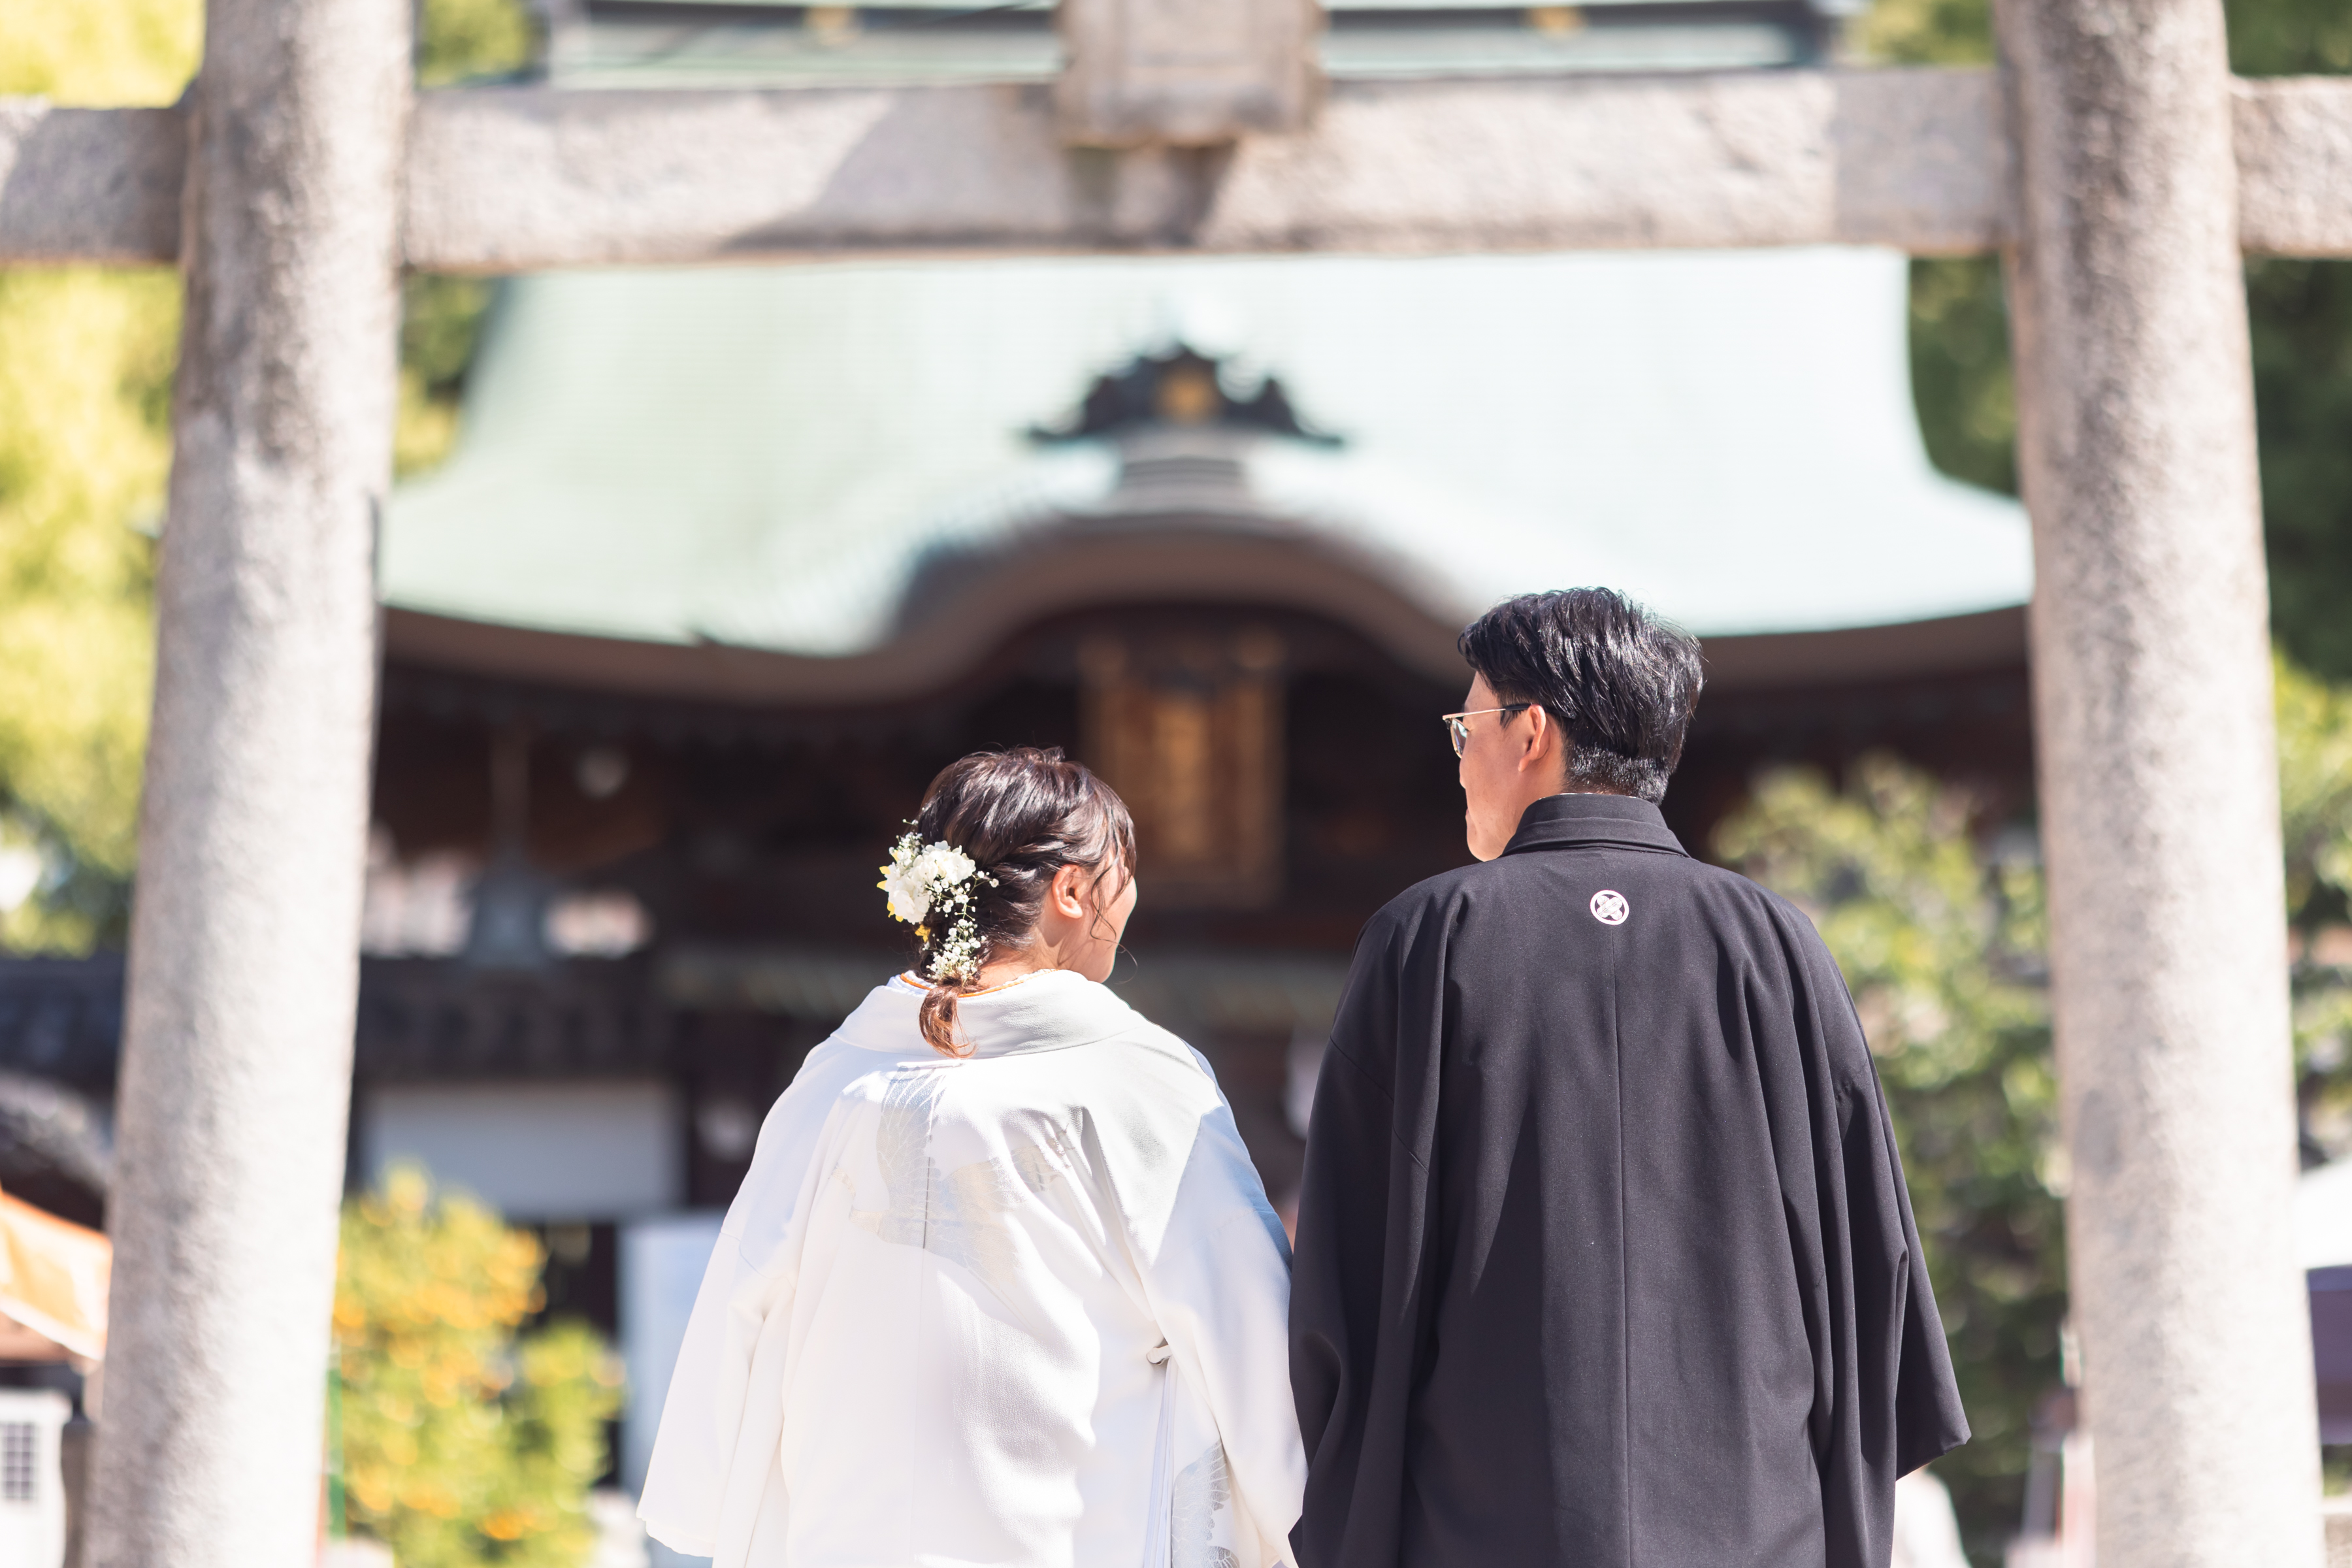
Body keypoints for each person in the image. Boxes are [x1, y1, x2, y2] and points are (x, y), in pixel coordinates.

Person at [1288, 589, 1969, 1568]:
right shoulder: (1774, 943)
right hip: (1754, 1516)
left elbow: (1350, 1272)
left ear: (1529, 733)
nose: (1461, 758)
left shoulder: (1430, 937)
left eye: (1465, 727)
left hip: (1485, 1517)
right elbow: (1872, 1255)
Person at [640, 747, 1305, 1568]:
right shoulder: (1136, 1082)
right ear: (1071, 889)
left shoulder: (839, 1080)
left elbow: (742, 1291)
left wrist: (698, 1504)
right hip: (1069, 1534)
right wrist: (1304, 1515)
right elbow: (1241, 1318)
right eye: (1121, 873)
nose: (1130, 898)